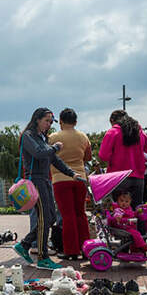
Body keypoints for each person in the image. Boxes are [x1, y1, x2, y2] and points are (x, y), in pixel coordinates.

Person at [13, 108, 81, 270]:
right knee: (44, 217)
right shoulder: (28, 136)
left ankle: (25, 244)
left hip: (44, 180)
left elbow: (54, 159)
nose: (49, 124)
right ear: (37, 119)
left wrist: (72, 173)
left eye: (51, 121)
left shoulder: (42, 137)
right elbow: (39, 153)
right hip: (35, 180)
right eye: (47, 121)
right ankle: (43, 257)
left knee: (50, 218)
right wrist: (55, 147)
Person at [48, 108, 91, 260]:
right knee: (81, 214)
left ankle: (71, 250)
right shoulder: (83, 137)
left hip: (60, 179)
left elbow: (48, 157)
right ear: (75, 122)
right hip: (80, 178)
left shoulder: (53, 137)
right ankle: (87, 248)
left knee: (67, 216)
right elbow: (88, 156)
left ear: (60, 121)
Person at [99, 110, 147, 208]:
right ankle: (139, 224)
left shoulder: (113, 132)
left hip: (118, 177)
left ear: (112, 120)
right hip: (138, 178)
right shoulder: (140, 133)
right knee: (138, 211)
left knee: (118, 213)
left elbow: (103, 156)